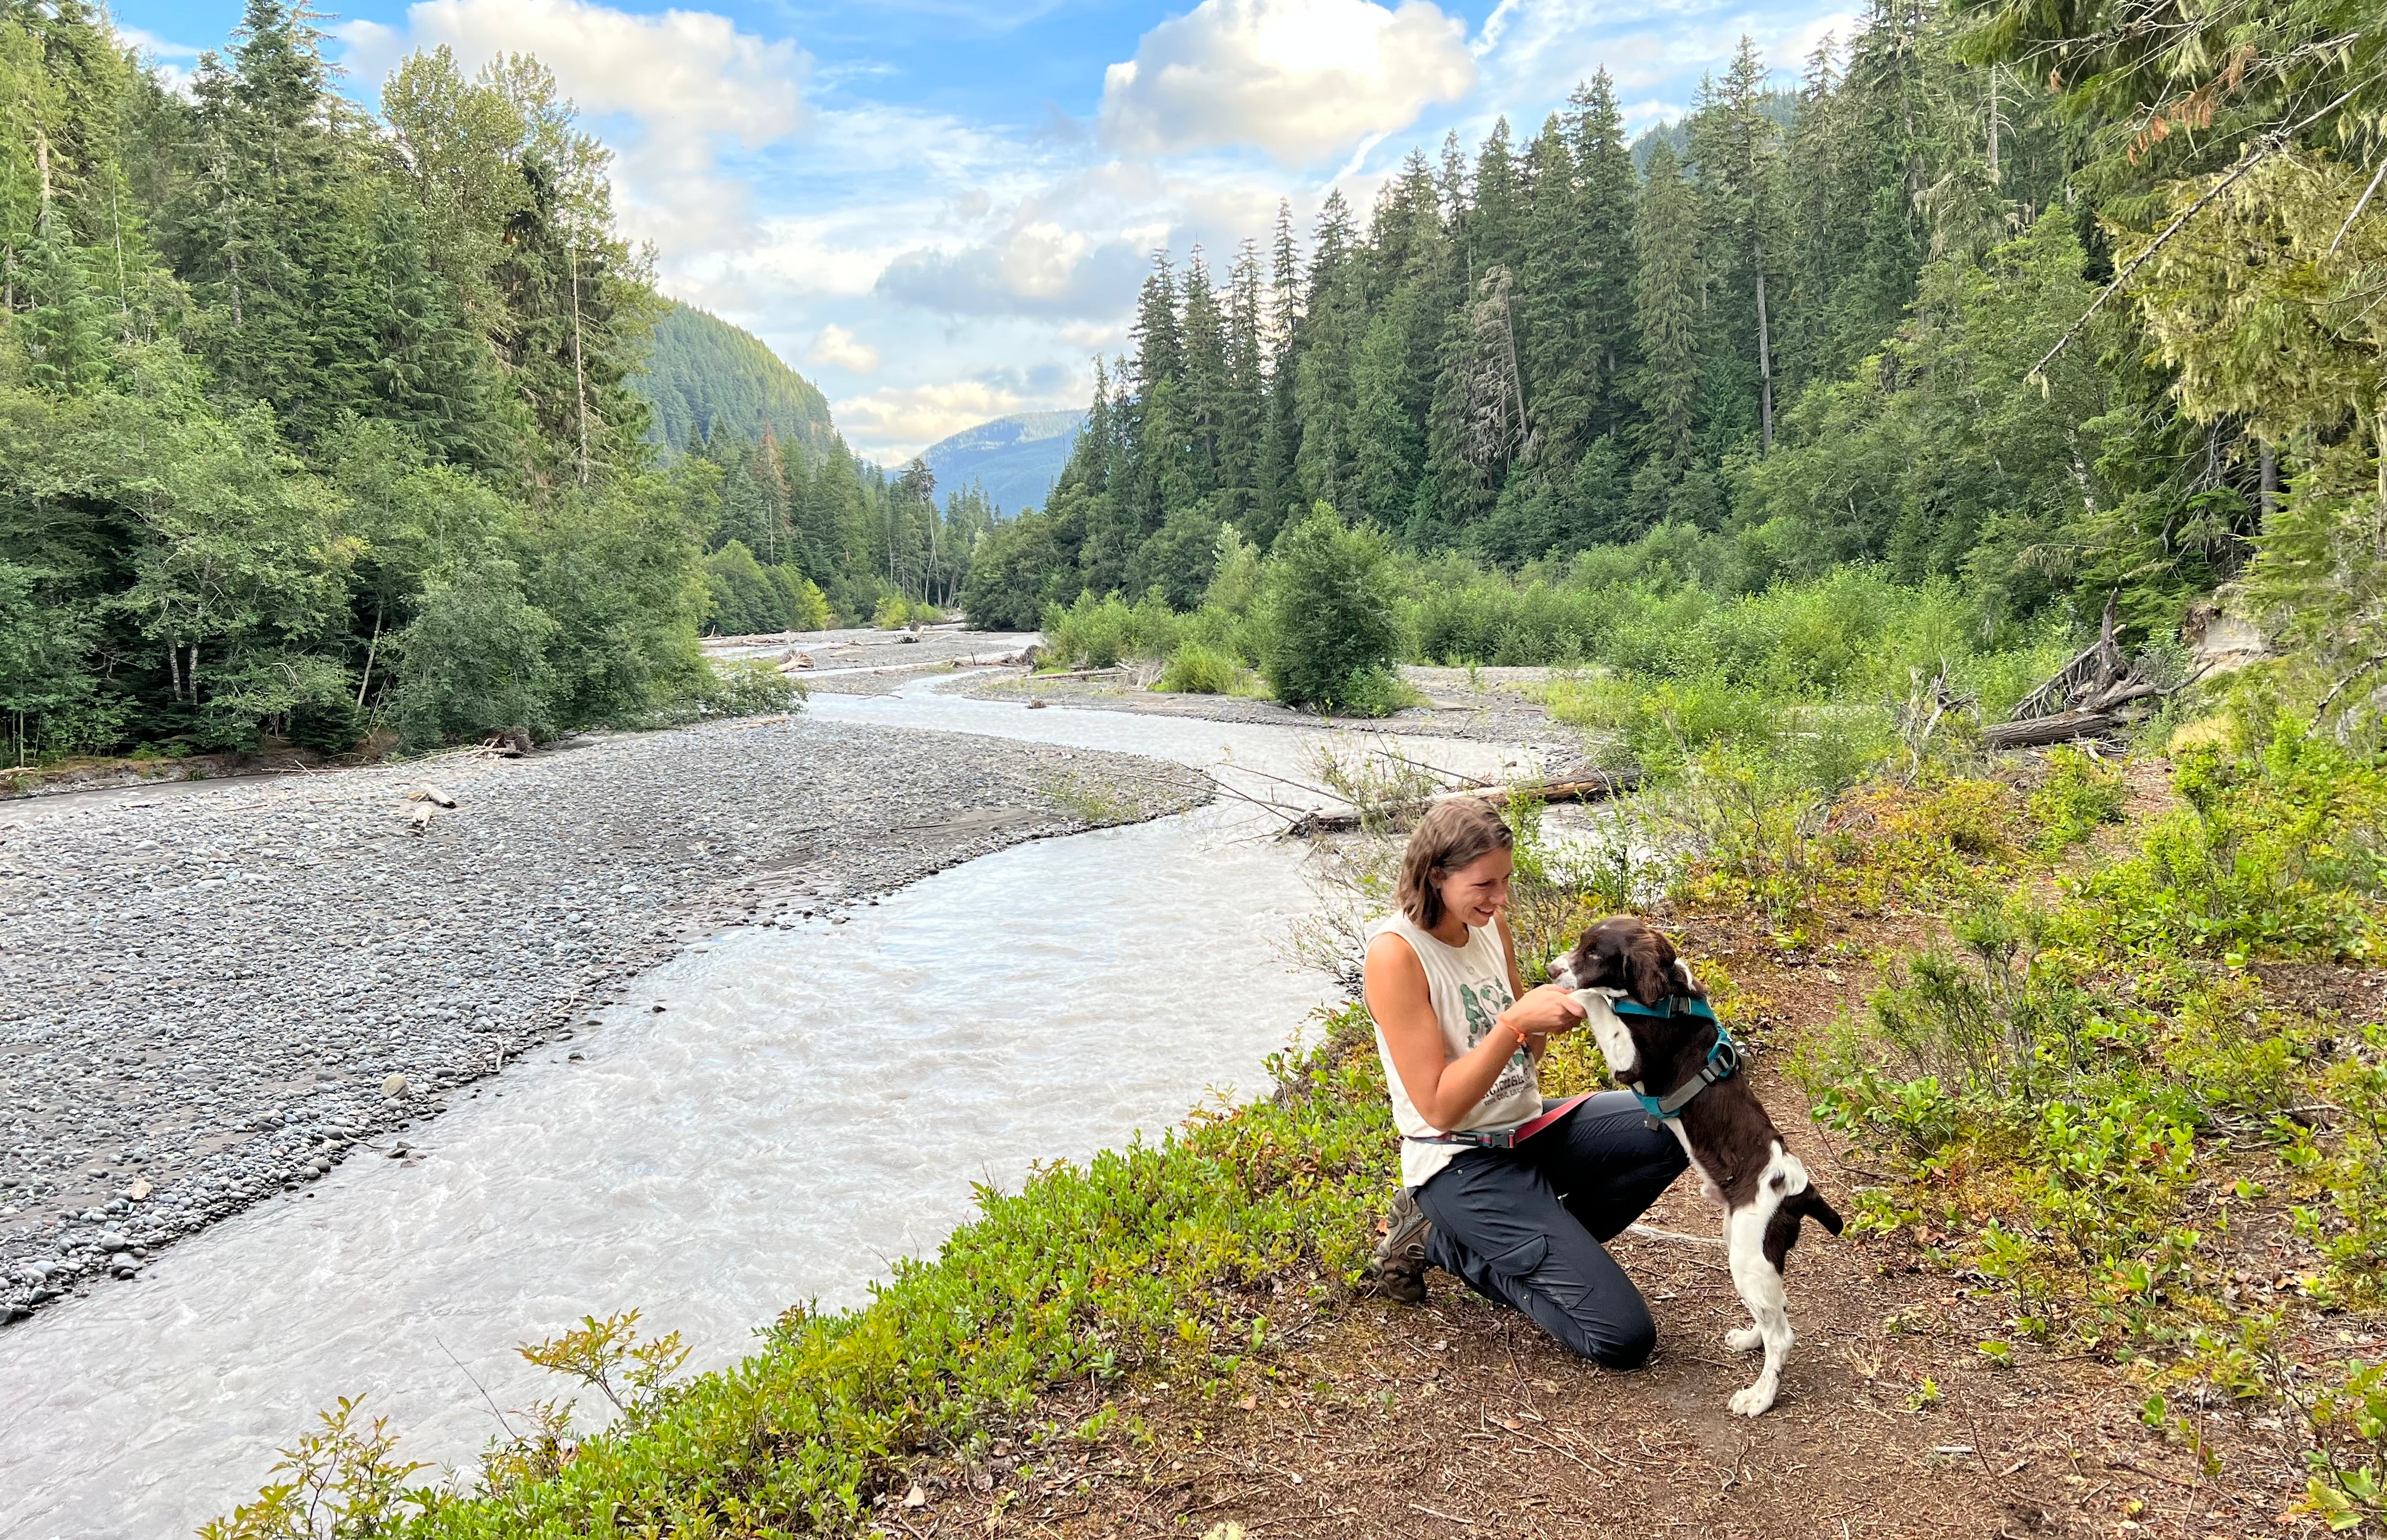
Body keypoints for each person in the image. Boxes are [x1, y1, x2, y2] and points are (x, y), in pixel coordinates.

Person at [1361, 798, 1688, 1369]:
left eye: (1506, 880)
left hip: (1526, 1126)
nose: (1500, 899)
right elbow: (1437, 1108)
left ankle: (1541, 1243)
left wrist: (1548, 1019)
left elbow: (1526, 1056)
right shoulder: (1396, 956)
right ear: (1436, 875)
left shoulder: (1489, 927)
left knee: (1671, 1121)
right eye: (1484, 884)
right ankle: (1441, 1241)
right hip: (1458, 1157)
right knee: (1623, 1339)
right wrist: (1514, 1022)